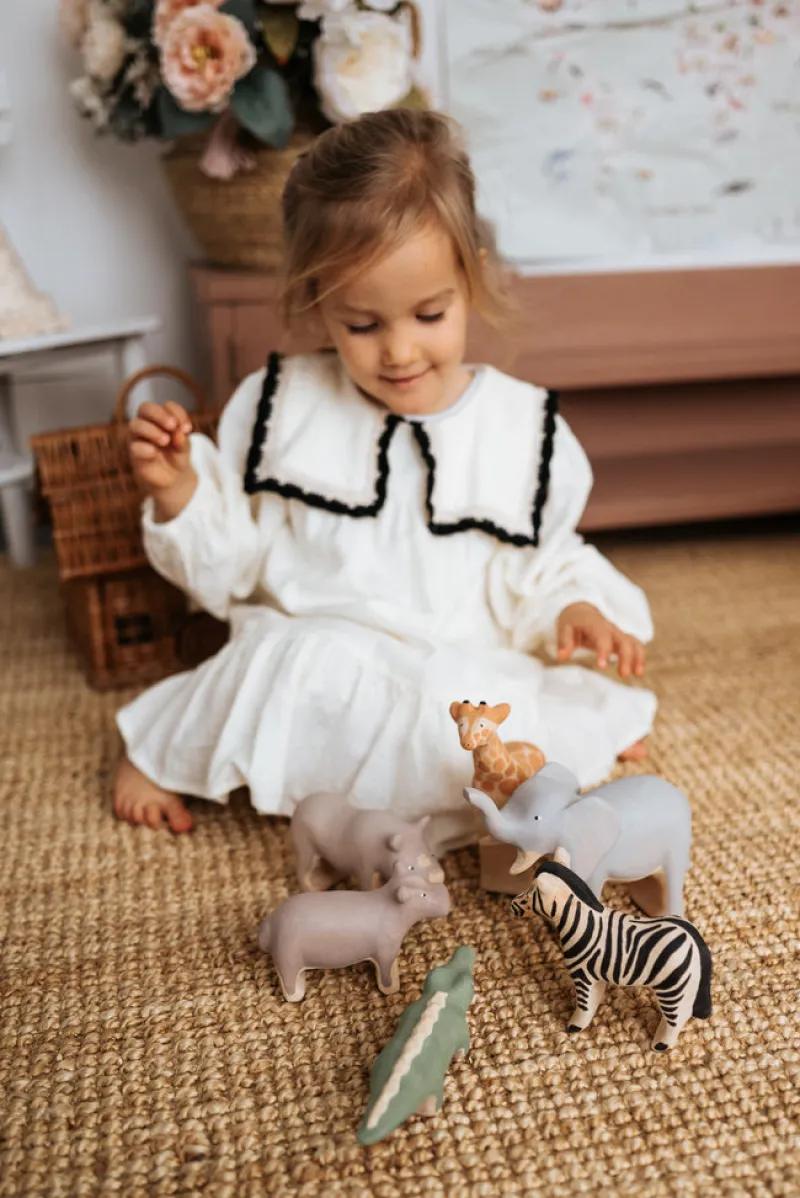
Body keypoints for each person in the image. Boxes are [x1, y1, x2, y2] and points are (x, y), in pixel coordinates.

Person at [114, 108, 655, 849]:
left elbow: (543, 565)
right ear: (318, 302)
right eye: (362, 325)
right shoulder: (285, 407)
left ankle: (565, 734)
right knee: (264, 665)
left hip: (455, 663)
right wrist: (177, 490)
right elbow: (233, 568)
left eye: (429, 314)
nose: (398, 351)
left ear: (471, 278)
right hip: (314, 652)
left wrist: (575, 609)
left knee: (481, 721)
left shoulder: (517, 428)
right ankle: (162, 751)